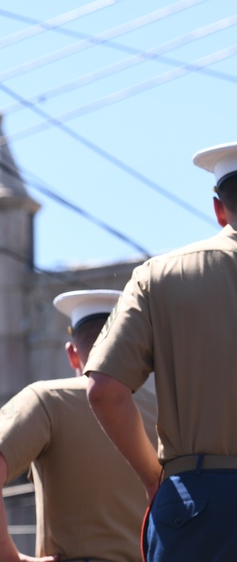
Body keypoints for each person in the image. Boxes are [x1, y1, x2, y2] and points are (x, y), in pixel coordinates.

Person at [86, 141, 237, 562]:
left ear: (219, 208)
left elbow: (104, 390)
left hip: (198, 502)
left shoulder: (159, 276)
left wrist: (156, 478)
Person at [0, 290, 157, 562]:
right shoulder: (163, 413)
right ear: (133, 351)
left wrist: (10, 559)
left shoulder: (48, 399)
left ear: (73, 354)